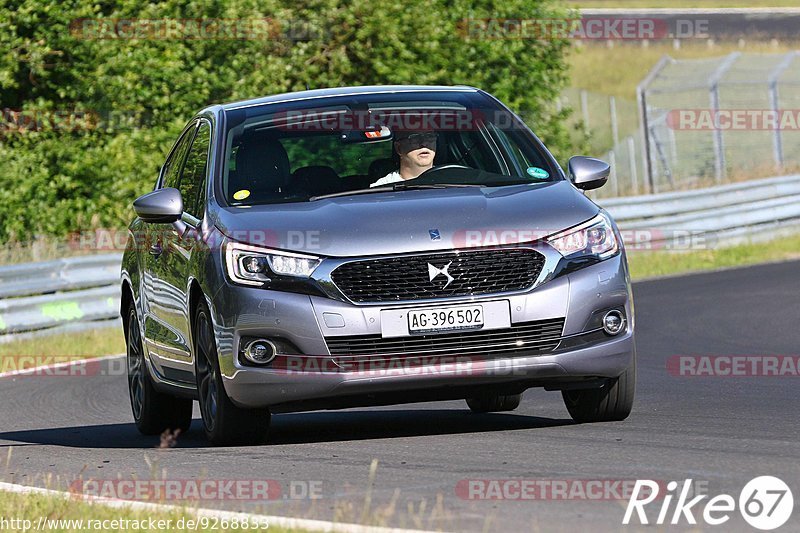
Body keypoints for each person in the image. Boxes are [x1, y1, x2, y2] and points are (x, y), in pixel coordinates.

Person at [370, 131, 437, 187]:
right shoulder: (380, 189)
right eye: (415, 138)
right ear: (398, 148)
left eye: (430, 136)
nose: (424, 143)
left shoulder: (446, 180)